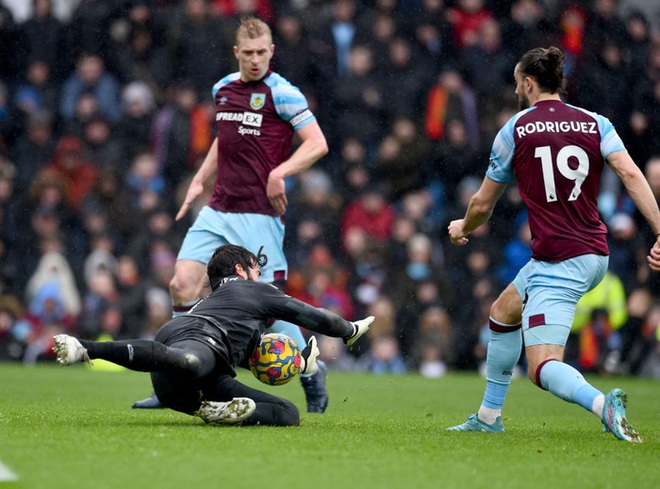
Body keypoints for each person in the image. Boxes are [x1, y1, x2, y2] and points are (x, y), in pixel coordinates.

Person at [446, 46, 660, 443]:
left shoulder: (515, 129)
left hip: (561, 259)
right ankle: (489, 416)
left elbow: (482, 204)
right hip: (593, 251)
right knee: (504, 310)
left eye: (516, 83)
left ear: (528, 82)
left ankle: (602, 406)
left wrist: (462, 225)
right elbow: (630, 174)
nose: (516, 90)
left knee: (542, 366)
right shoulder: (597, 123)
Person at [133, 17, 331, 412]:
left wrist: (281, 172)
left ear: (272, 52)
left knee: (269, 310)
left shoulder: (284, 93)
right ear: (237, 53)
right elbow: (224, 142)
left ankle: (311, 370)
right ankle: (177, 377)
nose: (256, 60)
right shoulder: (223, 89)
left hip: (259, 215)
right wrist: (200, 179)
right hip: (218, 207)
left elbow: (318, 144)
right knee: (181, 285)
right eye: (249, 53)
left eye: (263, 52)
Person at [53, 244, 374, 426]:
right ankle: (85, 347)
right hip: (196, 342)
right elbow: (312, 315)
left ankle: (218, 413)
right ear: (239, 270)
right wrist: (349, 330)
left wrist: (299, 363)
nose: (260, 275)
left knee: (287, 414)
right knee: (191, 361)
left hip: (184, 391)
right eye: (255, 268)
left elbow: (243, 356)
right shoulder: (255, 290)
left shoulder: (217, 302)